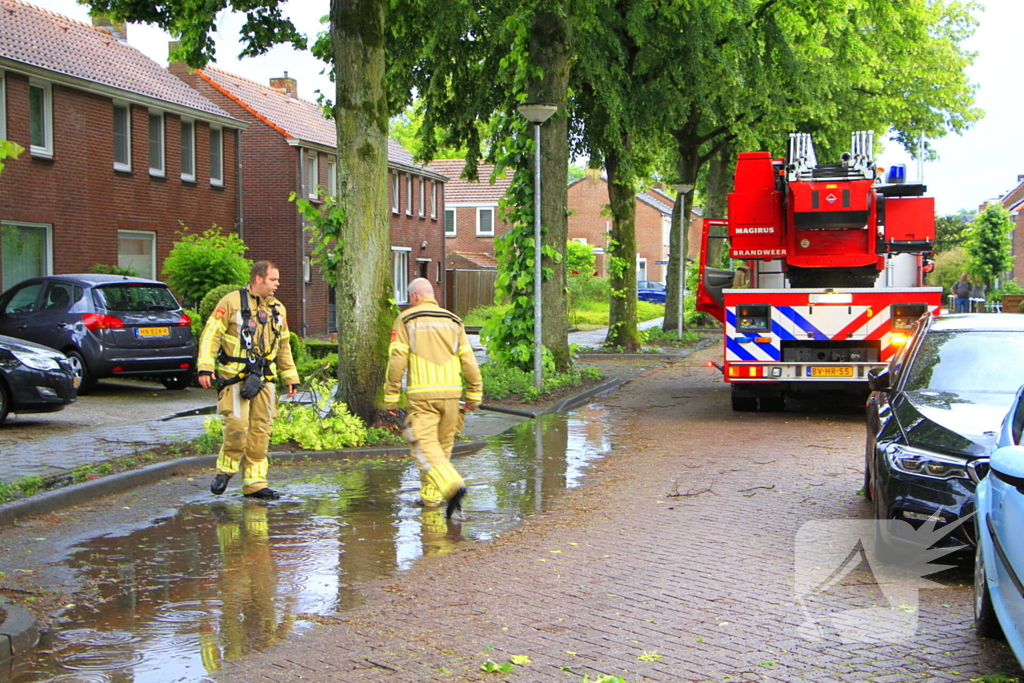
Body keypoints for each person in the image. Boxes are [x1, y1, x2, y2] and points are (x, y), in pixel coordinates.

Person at [198, 261, 299, 500]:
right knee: (237, 426)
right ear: (258, 278)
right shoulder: (231, 302)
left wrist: (290, 376)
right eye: (273, 279)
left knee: (261, 430)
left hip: (265, 378)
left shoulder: (278, 309)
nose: (278, 284)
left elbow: (284, 346)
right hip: (235, 377)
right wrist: (205, 366)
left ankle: (255, 484)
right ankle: (225, 471)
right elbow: (211, 334)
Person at [384, 278, 483, 519]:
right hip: (452, 396)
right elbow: (469, 360)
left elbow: (397, 360)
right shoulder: (453, 321)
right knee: (443, 446)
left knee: (423, 444)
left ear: (414, 297)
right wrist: (474, 394)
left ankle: (451, 486)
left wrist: (391, 397)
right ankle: (431, 497)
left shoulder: (407, 319)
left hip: (422, 396)